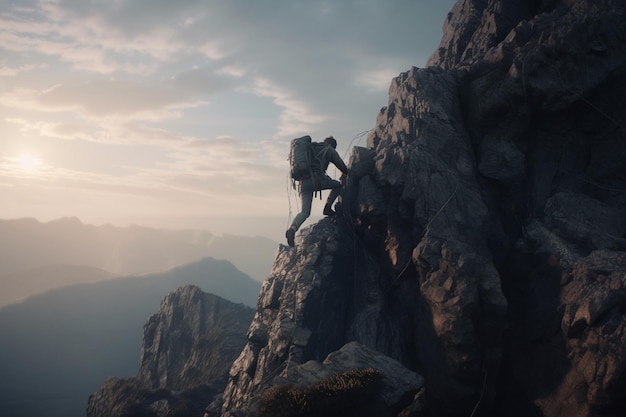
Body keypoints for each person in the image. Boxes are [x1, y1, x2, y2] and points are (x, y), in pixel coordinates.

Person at [286, 136, 348, 247]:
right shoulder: (329, 150)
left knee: (305, 212)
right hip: (317, 180)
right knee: (338, 186)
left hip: (303, 183)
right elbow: (342, 166)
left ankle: (292, 229)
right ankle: (327, 207)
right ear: (333, 145)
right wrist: (348, 173)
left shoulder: (311, 148)